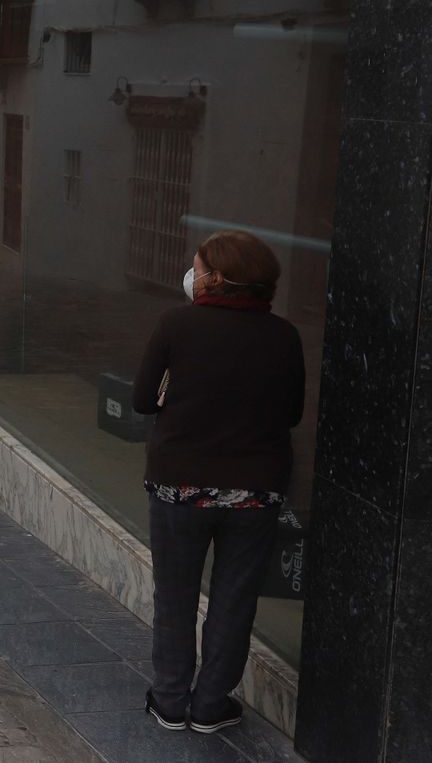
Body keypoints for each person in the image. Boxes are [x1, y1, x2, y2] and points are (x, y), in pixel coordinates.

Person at [131, 229, 305, 734]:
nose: (193, 270)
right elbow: (291, 413)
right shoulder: (284, 335)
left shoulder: (176, 324)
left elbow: (143, 399)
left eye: (198, 264)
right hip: (256, 490)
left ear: (216, 276)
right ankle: (210, 704)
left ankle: (168, 699)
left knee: (176, 592)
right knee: (235, 597)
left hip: (179, 486)